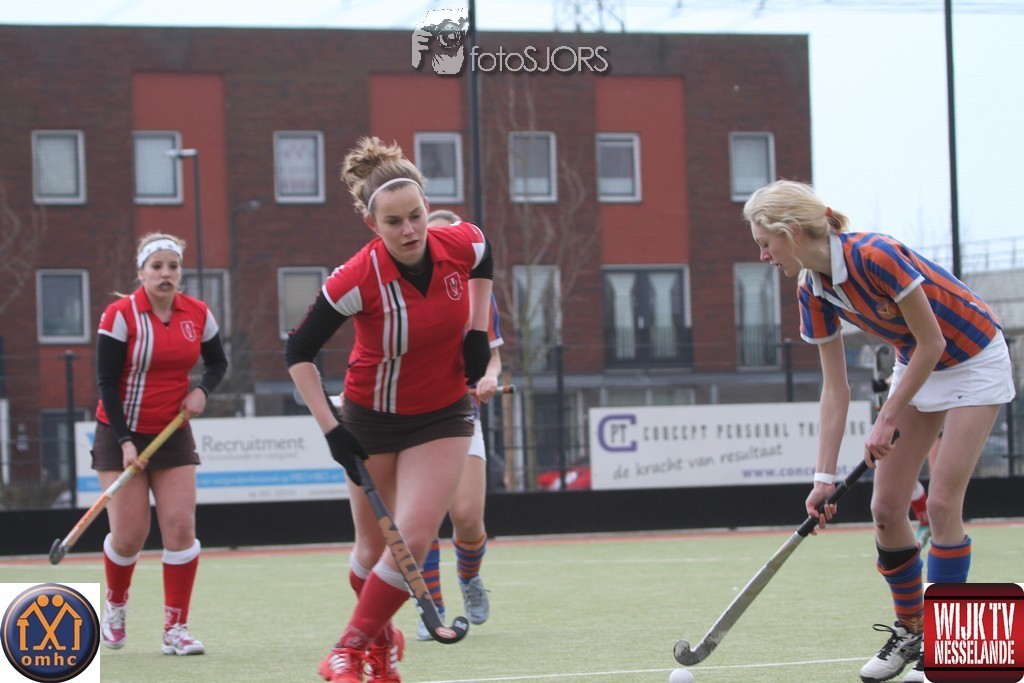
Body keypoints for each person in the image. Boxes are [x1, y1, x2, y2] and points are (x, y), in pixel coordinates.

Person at [744, 180, 1015, 683]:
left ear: (793, 231)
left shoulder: (875, 255)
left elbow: (933, 342)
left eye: (765, 243)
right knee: (886, 510)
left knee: (941, 505)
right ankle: (912, 630)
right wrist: (823, 478)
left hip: (974, 357)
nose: (763, 256)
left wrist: (888, 416)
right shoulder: (812, 291)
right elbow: (835, 389)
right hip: (919, 364)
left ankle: (948, 647)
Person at [285, 136, 494, 683]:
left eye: (416, 216)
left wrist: (477, 330)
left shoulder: (461, 242)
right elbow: (298, 352)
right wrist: (332, 429)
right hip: (369, 418)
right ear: (372, 225)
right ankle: (380, 647)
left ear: (428, 208)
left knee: (413, 539)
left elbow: (484, 254)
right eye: (394, 222)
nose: (409, 230)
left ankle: (346, 650)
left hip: (443, 414)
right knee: (371, 551)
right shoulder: (357, 277)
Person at [93, 232, 227, 656]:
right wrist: (125, 441)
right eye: (157, 267)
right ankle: (115, 607)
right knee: (129, 536)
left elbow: (218, 362)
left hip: (172, 431)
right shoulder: (120, 315)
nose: (166, 274)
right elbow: (105, 382)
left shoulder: (198, 313)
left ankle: (176, 629)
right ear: (142, 273)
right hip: (120, 431)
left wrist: (202, 390)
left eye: (173, 266)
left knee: (181, 528)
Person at [412, 209, 503, 641]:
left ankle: (469, 578)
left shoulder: (476, 291)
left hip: (462, 415)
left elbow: (492, 356)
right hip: (414, 422)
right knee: (424, 519)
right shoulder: (404, 292)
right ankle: (431, 607)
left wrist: (489, 377)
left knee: (466, 516)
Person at [872, 349, 933, 547]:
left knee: (941, 492)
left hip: (940, 408)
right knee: (904, 480)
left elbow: (922, 365)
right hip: (916, 411)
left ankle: (937, 526)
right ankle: (926, 521)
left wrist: (885, 384)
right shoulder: (903, 352)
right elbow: (905, 370)